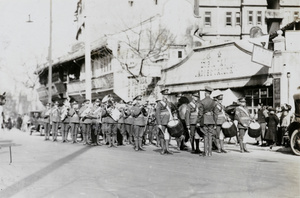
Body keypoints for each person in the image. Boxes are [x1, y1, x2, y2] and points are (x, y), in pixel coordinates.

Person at [198, 86, 218, 157]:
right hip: (211, 120)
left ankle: (205, 152)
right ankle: (210, 152)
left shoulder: (202, 101)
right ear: (210, 93)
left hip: (204, 120)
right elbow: (216, 114)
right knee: (210, 136)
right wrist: (215, 122)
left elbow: (200, 113)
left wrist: (199, 120)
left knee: (205, 136)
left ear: (205, 93)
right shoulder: (214, 102)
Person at [155, 89, 174, 155]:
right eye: (165, 95)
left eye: (167, 95)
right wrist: (159, 123)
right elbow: (157, 114)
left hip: (168, 121)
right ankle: (163, 149)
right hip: (162, 121)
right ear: (162, 95)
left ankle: (167, 149)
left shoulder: (169, 102)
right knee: (162, 135)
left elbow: (171, 111)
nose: (166, 96)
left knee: (168, 135)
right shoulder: (160, 103)